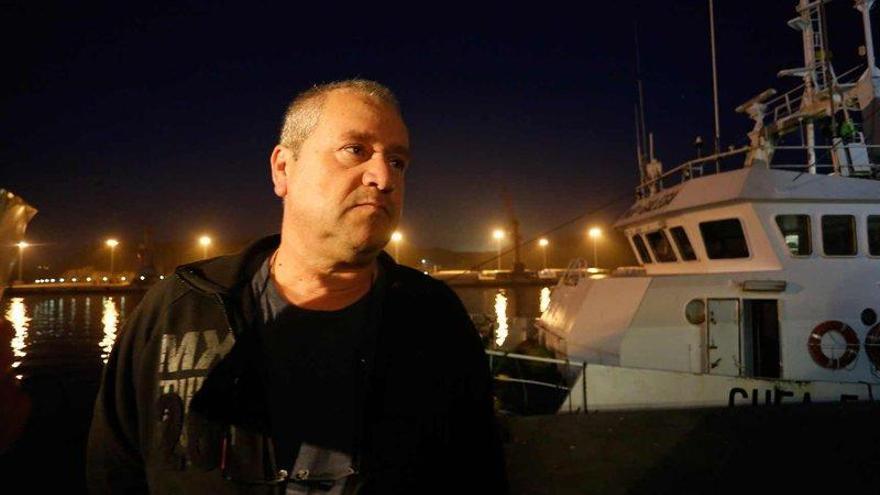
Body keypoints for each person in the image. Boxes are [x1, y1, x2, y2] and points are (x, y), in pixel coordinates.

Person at [86, 79, 508, 494]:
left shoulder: (435, 319)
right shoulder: (178, 308)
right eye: (354, 150)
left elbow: (478, 472)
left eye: (397, 160)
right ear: (283, 168)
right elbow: (113, 470)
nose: (383, 175)